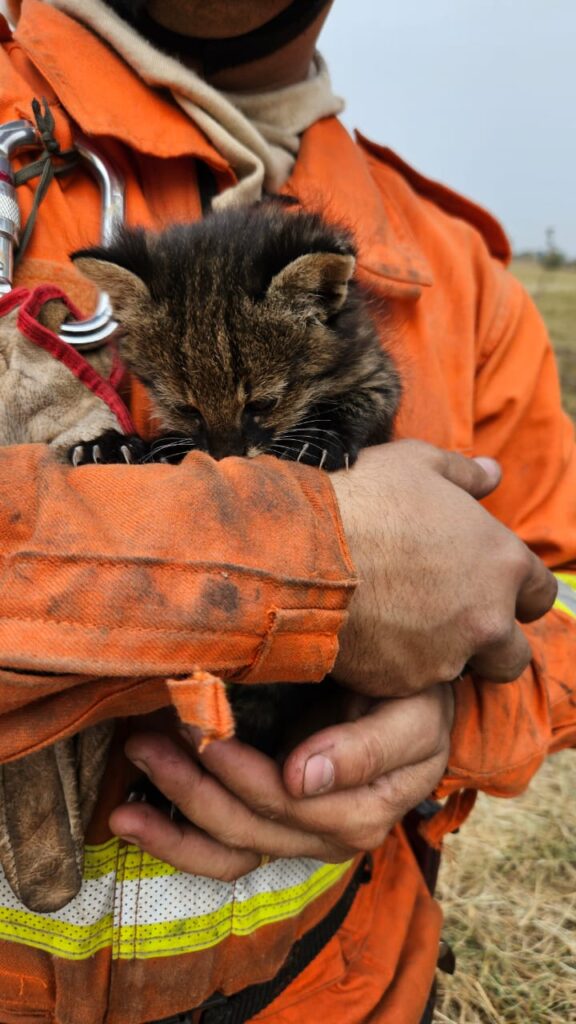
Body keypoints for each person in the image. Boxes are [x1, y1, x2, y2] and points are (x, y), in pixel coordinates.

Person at [0, 1, 573, 1022]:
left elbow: (559, 608)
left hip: (350, 983)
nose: (223, 449)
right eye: (195, 415)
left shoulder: (462, 271)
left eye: (253, 414)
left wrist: (450, 709)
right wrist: (312, 558)